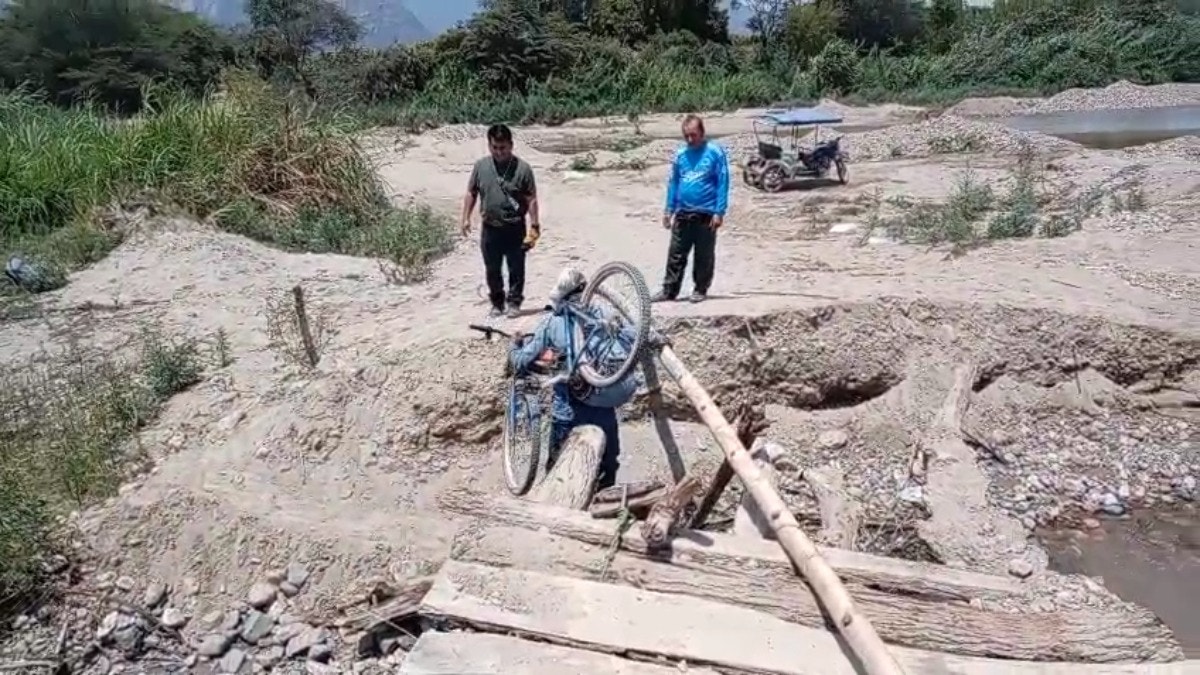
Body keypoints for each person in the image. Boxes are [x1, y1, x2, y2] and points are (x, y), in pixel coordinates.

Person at [507, 268, 641, 490]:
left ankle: (556, 503)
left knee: (557, 464)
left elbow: (521, 362)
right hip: (603, 404)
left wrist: (514, 346)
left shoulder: (551, 322)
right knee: (608, 465)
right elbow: (634, 335)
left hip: (568, 412)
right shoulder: (604, 314)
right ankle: (603, 501)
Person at [461, 124, 541, 319]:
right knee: (492, 269)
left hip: (515, 228)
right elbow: (472, 192)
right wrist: (465, 218)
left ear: (511, 145)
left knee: (516, 267)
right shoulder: (481, 167)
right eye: (495, 147)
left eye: (503, 147)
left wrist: (535, 226)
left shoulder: (523, 169)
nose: (499, 152)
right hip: (490, 228)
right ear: (489, 146)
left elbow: (531, 199)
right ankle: (497, 303)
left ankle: (514, 302)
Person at [655, 114, 730, 304]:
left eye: (694, 135)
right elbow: (674, 182)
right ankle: (669, 291)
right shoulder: (680, 155)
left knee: (703, 255)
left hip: (706, 214)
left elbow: (723, 182)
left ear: (702, 133)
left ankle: (700, 288)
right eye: (686, 135)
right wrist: (668, 210)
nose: (690, 139)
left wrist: (719, 211)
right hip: (683, 213)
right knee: (676, 254)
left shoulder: (715, 152)